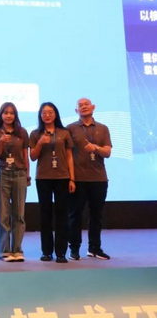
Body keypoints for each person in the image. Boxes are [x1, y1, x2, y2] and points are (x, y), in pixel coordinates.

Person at [66, 98, 112, 260]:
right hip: (78, 179)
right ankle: (74, 249)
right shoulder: (70, 128)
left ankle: (95, 248)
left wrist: (96, 148)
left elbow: (107, 152)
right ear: (76, 110)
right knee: (75, 215)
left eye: (87, 104)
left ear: (93, 107)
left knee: (96, 215)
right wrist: (70, 178)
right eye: (80, 105)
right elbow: (67, 154)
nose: (84, 107)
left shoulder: (103, 128)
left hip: (99, 178)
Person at [30, 102, 75, 263]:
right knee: (45, 214)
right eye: (44, 113)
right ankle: (47, 251)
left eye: (50, 112)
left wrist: (72, 178)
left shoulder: (64, 132)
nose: (47, 115)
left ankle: (61, 252)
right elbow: (33, 157)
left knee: (62, 215)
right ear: (40, 116)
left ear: (55, 114)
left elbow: (69, 156)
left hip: (62, 177)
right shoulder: (35, 133)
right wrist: (40, 143)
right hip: (43, 178)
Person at [0, 102, 30, 262]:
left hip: (19, 174)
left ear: (15, 115)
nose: (8, 115)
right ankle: (5, 251)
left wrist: (27, 175)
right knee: (3, 214)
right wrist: (0, 142)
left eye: (11, 113)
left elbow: (25, 155)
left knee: (19, 214)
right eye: (5, 113)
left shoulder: (22, 132)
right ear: (1, 115)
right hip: (3, 173)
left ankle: (17, 249)